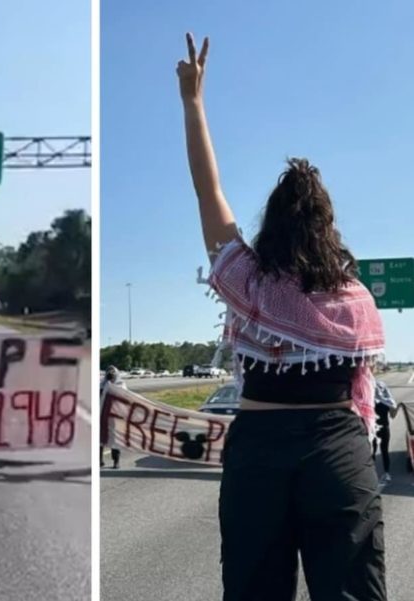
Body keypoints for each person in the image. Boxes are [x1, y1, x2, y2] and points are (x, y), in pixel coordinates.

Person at [178, 33, 387, 600]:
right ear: (329, 230)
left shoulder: (250, 281)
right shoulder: (356, 299)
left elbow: (207, 191)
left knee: (254, 589)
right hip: (339, 447)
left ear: (270, 224)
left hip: (258, 449)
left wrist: (193, 103)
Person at [372, 379, 399, 485]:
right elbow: (392, 415)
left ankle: (382, 474)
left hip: (378, 429)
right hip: (378, 429)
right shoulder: (385, 401)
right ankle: (382, 474)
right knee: (378, 451)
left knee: (377, 451)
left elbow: (392, 415)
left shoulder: (377, 400)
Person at [99, 366, 126, 469]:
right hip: (102, 415)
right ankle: (99, 460)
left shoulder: (121, 385)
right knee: (99, 439)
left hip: (115, 416)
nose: (111, 376)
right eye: (109, 374)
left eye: (113, 374)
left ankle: (116, 461)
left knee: (115, 439)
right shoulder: (101, 385)